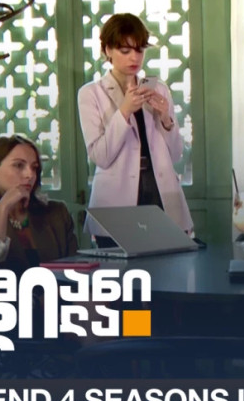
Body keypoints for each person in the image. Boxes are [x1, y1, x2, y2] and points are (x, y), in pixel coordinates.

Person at [78, 13, 193, 248]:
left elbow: (175, 155)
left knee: (168, 264)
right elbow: (100, 156)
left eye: (139, 50)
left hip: (159, 190)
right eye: (125, 50)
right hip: (116, 198)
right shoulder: (91, 93)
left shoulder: (158, 88)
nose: (134, 57)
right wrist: (124, 111)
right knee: (119, 267)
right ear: (107, 50)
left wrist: (166, 119)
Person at [0, 135, 78, 274]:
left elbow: (76, 268)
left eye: (34, 167)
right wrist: (2, 208)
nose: (30, 175)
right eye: (19, 165)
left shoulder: (57, 212)